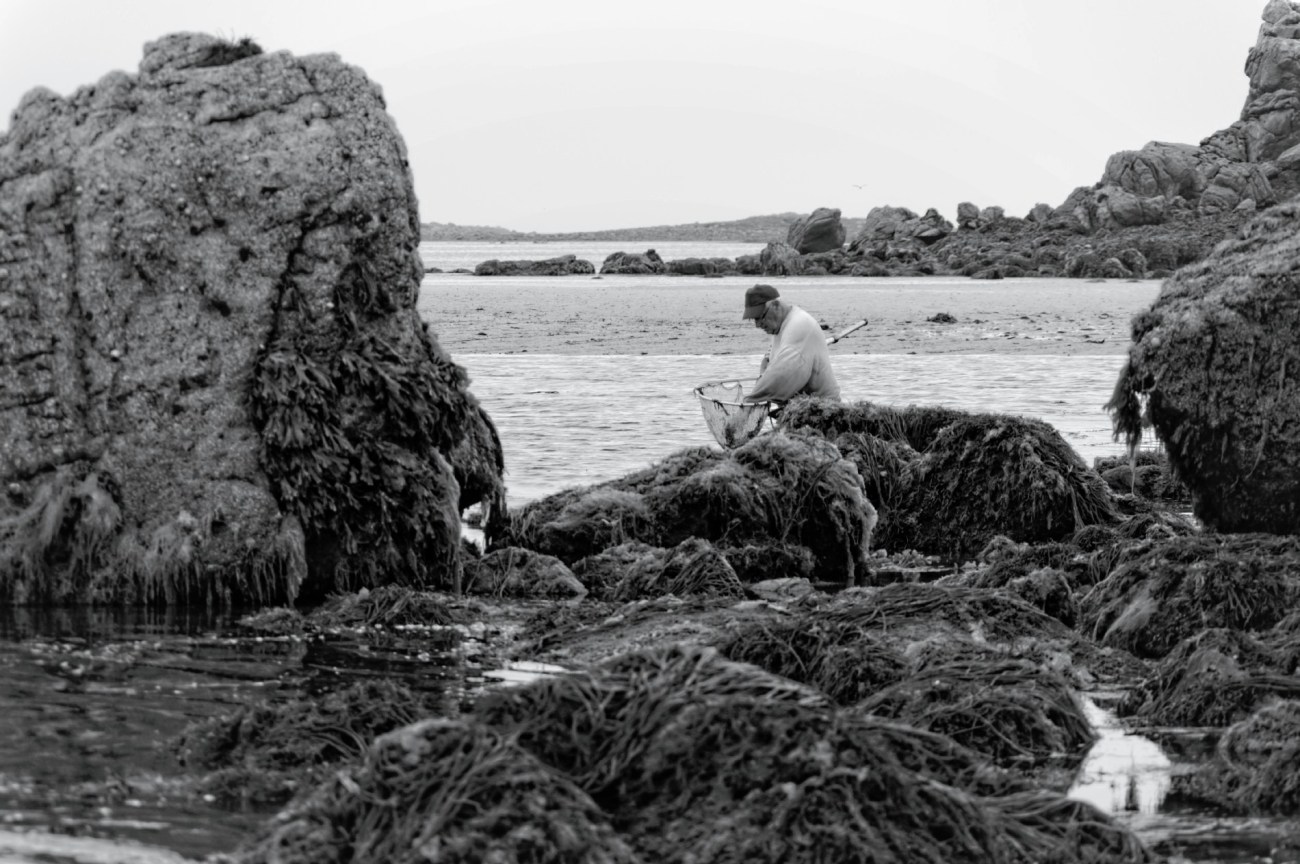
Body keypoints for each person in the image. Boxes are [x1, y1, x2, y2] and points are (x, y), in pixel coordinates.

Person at [740, 284, 841, 403]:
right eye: (754, 320)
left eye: (759, 317)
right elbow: (772, 362)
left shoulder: (800, 324)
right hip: (798, 408)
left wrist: (750, 401)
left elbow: (781, 375)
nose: (757, 325)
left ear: (776, 306)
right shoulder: (780, 327)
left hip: (822, 409)